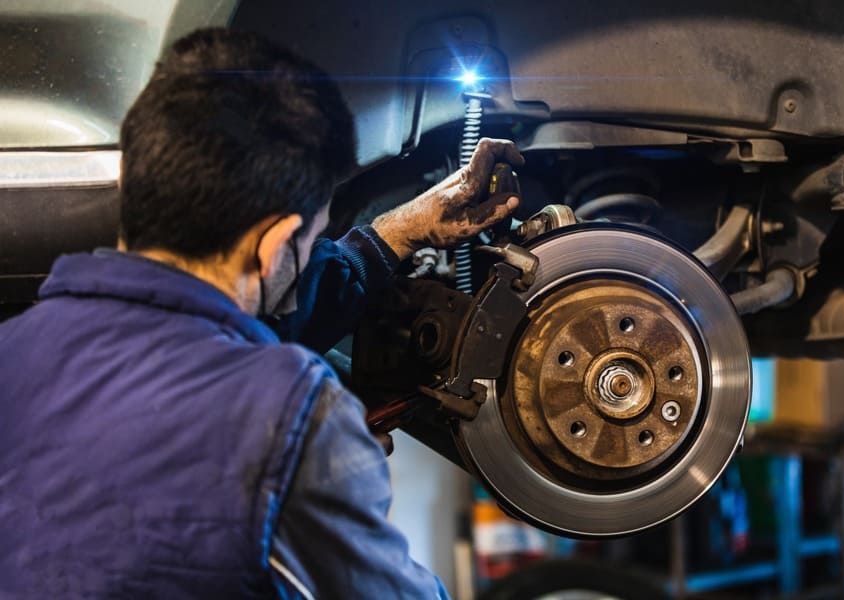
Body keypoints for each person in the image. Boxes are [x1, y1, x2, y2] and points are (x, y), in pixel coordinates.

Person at [0, 27, 523, 599]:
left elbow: (217, 322)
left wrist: (394, 235)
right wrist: (327, 466)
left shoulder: (13, 354)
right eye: (307, 243)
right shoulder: (287, 416)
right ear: (274, 248)